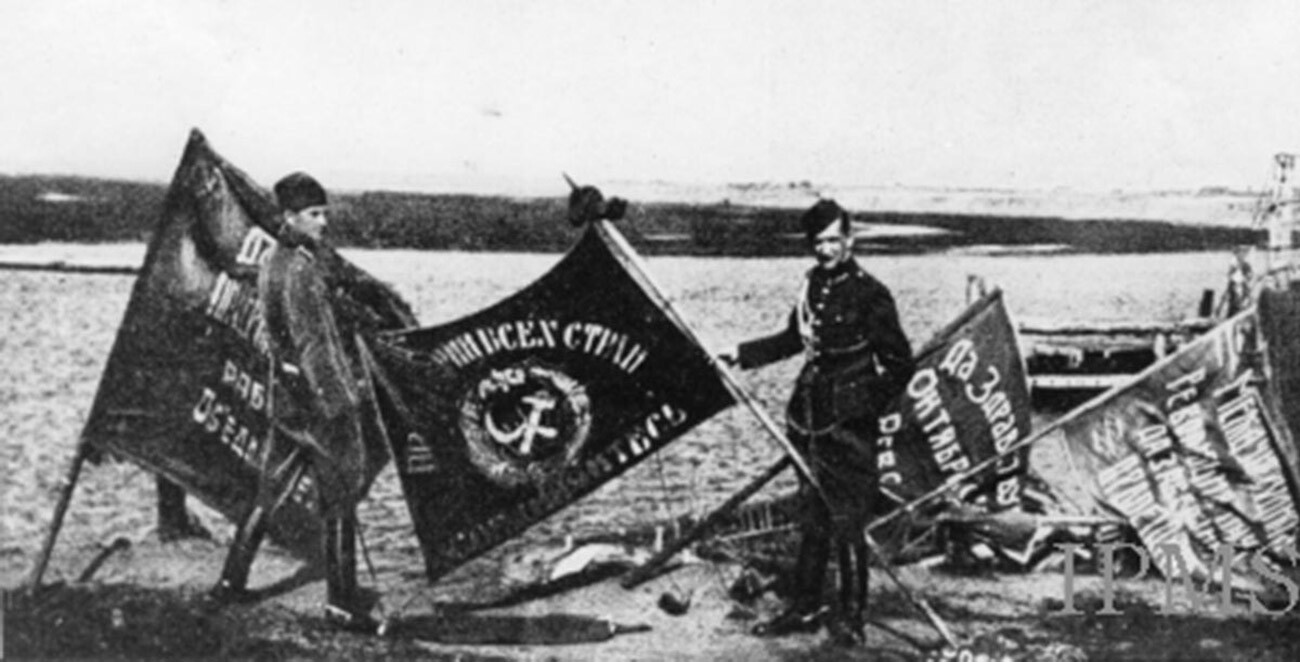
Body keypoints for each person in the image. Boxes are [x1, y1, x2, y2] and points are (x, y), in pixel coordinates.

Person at [723, 199, 914, 646]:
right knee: (812, 516)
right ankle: (805, 608)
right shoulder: (811, 285)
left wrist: (862, 406)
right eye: (818, 241)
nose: (826, 249)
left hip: (850, 427)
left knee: (848, 522)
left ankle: (852, 617)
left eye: (834, 239)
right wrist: (741, 353)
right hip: (807, 418)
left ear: (850, 240)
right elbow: (793, 339)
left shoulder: (871, 293)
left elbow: (899, 364)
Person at [211, 172, 377, 632]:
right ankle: (342, 604)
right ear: (290, 217)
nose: (324, 222)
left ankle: (229, 582)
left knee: (269, 490)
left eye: (325, 213)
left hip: (286, 402)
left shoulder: (273, 261)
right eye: (314, 214)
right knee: (340, 496)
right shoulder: (301, 269)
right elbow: (312, 347)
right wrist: (339, 404)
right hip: (320, 405)